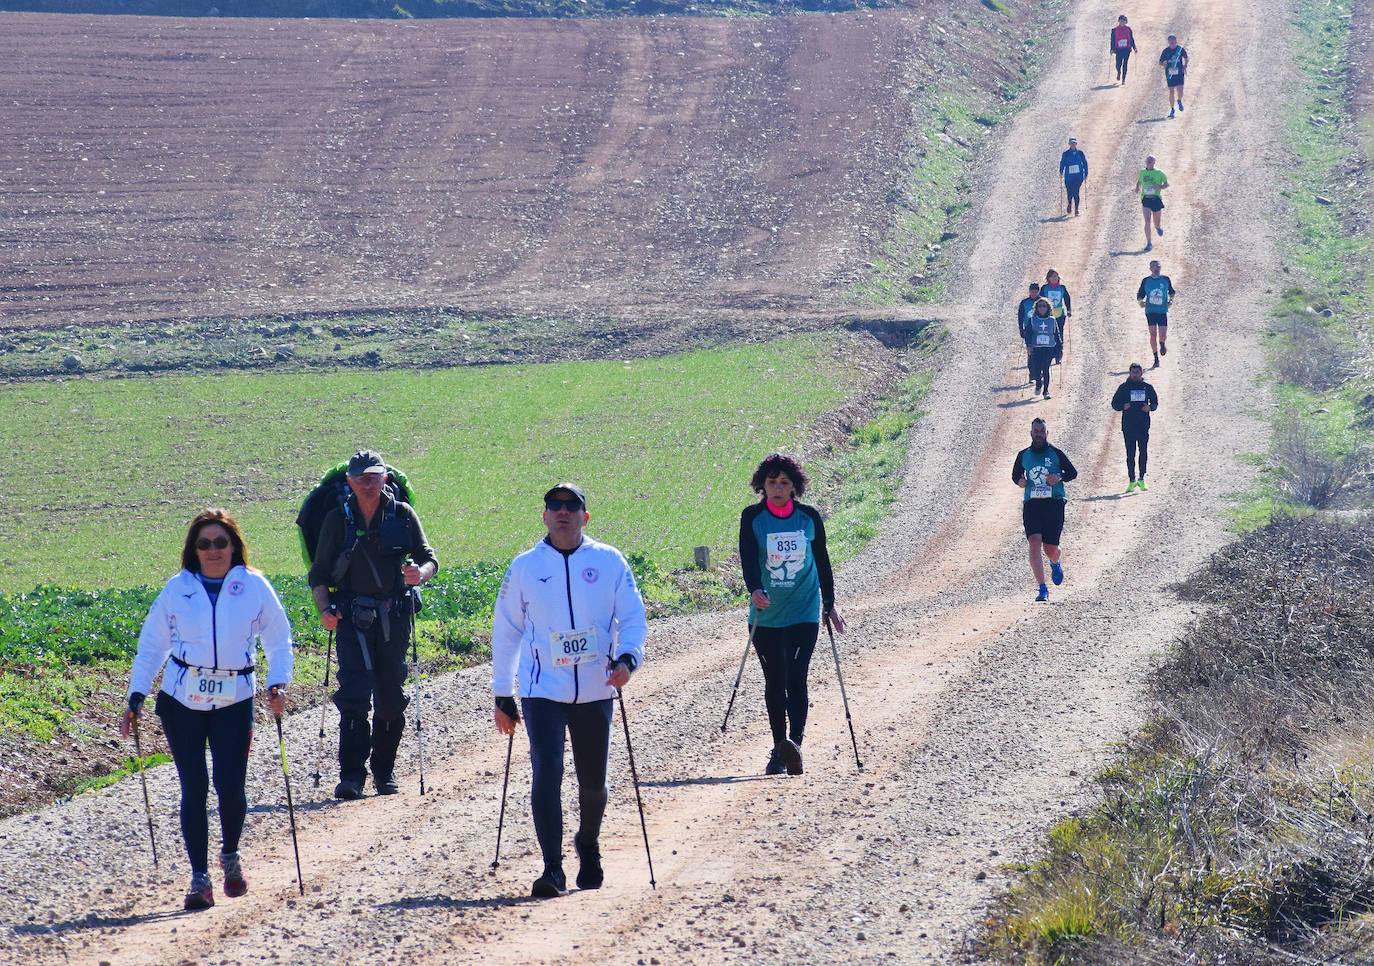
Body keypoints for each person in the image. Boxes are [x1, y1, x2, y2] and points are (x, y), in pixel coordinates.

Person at [121, 508, 293, 910]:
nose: (213, 550)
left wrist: (278, 682)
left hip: (235, 699)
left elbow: (279, 640)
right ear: (193, 550)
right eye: (204, 544)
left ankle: (230, 856)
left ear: (234, 547)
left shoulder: (254, 587)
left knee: (230, 787)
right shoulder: (176, 589)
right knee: (193, 788)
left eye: (220, 542)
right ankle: (199, 878)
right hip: (182, 701)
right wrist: (136, 696)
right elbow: (152, 646)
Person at [492, 483, 647, 898]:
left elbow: (633, 618)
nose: (563, 512)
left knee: (594, 784)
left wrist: (629, 659)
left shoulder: (609, 561)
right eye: (554, 506)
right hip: (542, 690)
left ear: (585, 516)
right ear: (544, 516)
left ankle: (589, 844)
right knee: (547, 772)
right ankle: (552, 868)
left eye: (571, 506)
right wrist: (502, 693)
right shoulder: (524, 566)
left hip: (597, 688)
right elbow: (506, 631)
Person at [309, 450, 437, 800]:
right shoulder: (337, 521)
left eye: (374, 476)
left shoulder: (402, 515)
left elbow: (429, 559)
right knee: (353, 696)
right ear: (350, 480)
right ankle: (351, 776)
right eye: (362, 477)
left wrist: (419, 574)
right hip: (351, 619)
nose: (368, 483)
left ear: (384, 478)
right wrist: (325, 611)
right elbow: (319, 575)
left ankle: (384, 772)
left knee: (391, 697)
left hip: (394, 618)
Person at [738, 453, 846, 777]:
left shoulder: (808, 518)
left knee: (795, 677)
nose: (777, 488)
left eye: (784, 482)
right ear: (763, 485)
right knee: (774, 682)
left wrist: (829, 603)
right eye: (772, 482)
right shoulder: (753, 517)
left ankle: (794, 745)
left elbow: (822, 562)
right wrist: (754, 588)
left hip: (803, 611)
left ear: (794, 486)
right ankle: (779, 748)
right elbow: (748, 559)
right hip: (766, 615)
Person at [1011, 419, 1078, 602]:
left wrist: (1059, 476)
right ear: (1031, 433)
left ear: (1047, 433)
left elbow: (1072, 473)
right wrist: (1020, 481)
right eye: (1036, 431)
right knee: (1034, 541)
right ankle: (1042, 588)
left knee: (1050, 548)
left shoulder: (1056, 453)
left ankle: (1055, 562)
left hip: (1054, 503)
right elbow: (1016, 474)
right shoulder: (1023, 455)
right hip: (1032, 503)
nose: (1039, 433)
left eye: (1042, 430)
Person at [1111, 363, 1160, 492]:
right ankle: (1131, 480)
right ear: (1129, 373)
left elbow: (1155, 402)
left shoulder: (1147, 387)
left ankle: (1142, 478)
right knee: (1130, 454)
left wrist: (1150, 407)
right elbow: (1114, 403)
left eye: (1137, 372)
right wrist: (1123, 406)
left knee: (1143, 452)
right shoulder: (1124, 387)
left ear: (1141, 373)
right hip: (1128, 426)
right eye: (1132, 372)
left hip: (1143, 426)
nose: (1134, 374)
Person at [1135, 259, 1177, 366]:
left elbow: (1172, 292)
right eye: (1153, 266)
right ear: (1150, 269)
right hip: (1150, 311)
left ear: (1160, 267)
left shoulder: (1165, 279)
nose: (1156, 268)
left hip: (1162, 311)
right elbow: (1140, 294)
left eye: (1157, 266)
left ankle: (1162, 344)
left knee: (1162, 335)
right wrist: (1140, 302)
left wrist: (1171, 300)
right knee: (1153, 334)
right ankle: (1156, 358)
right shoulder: (1146, 281)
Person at [1025, 297, 1059, 399]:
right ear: (1036, 308)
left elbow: (1057, 334)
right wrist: (1028, 345)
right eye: (1040, 306)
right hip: (1036, 348)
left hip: (1048, 348)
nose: (1042, 308)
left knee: (1046, 369)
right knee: (1036, 369)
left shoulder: (1052, 320)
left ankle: (1046, 391)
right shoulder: (1032, 319)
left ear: (1048, 307)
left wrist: (1060, 347)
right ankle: (1039, 384)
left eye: (1044, 306)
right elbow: (1028, 334)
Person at [1135, 156, 1169, 251]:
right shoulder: (1142, 172)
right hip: (1146, 199)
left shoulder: (1159, 173)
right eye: (1148, 160)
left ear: (1154, 162)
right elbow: (1139, 181)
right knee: (1147, 221)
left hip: (1156, 199)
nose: (1149, 162)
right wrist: (1137, 187)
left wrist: (1159, 187)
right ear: (1146, 162)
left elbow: (1167, 184)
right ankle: (1149, 243)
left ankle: (1157, 227)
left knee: (1156, 221)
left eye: (1151, 161)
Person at [1041, 269, 1072, 364]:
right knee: (1049, 334)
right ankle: (1050, 354)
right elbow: (1040, 300)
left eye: (1056, 276)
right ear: (1048, 278)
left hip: (1060, 315)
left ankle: (1058, 353)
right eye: (1052, 276)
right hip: (1048, 316)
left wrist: (1069, 310)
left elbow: (1067, 298)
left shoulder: (1062, 288)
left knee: (1059, 334)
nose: (1055, 278)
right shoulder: (1044, 288)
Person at [1159, 35, 1189, 117]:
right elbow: (1160, 61)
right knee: (1171, 91)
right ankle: (1172, 109)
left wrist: (1185, 66)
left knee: (1180, 89)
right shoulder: (1165, 51)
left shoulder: (1180, 49)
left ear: (1176, 40)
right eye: (1170, 40)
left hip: (1179, 72)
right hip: (1170, 74)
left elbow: (1186, 57)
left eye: (1173, 40)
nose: (1172, 42)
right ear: (1168, 42)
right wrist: (1163, 64)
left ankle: (1179, 100)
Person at [1017, 282, 1041, 379]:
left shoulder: (1042, 301)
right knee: (1030, 352)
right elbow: (1020, 316)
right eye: (1032, 291)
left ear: (1038, 291)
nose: (1034, 293)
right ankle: (1032, 373)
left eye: (1035, 291)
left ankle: (1039, 372)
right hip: (1028, 330)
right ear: (1029, 291)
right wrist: (1021, 329)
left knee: (1040, 352)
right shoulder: (1024, 302)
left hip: (1040, 329)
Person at [1059, 137, 1088, 216]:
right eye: (1071, 143)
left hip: (1078, 177)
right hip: (1068, 177)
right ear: (1069, 144)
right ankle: (1069, 203)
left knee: (1076, 192)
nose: (1073, 145)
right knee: (1069, 192)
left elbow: (1085, 163)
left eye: (1074, 143)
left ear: (1076, 144)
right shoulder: (1066, 153)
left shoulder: (1080, 153)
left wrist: (1086, 173)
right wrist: (1061, 171)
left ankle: (1076, 209)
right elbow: (1062, 162)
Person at [1110, 15, 1137, 83]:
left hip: (1126, 49)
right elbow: (1112, 40)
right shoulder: (1114, 30)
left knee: (1125, 63)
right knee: (1118, 64)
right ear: (1119, 21)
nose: (1122, 22)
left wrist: (1135, 48)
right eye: (1121, 21)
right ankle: (1119, 71)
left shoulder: (1128, 29)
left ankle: (1123, 79)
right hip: (1118, 49)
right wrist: (1111, 49)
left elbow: (1131, 39)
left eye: (1124, 21)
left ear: (1126, 22)